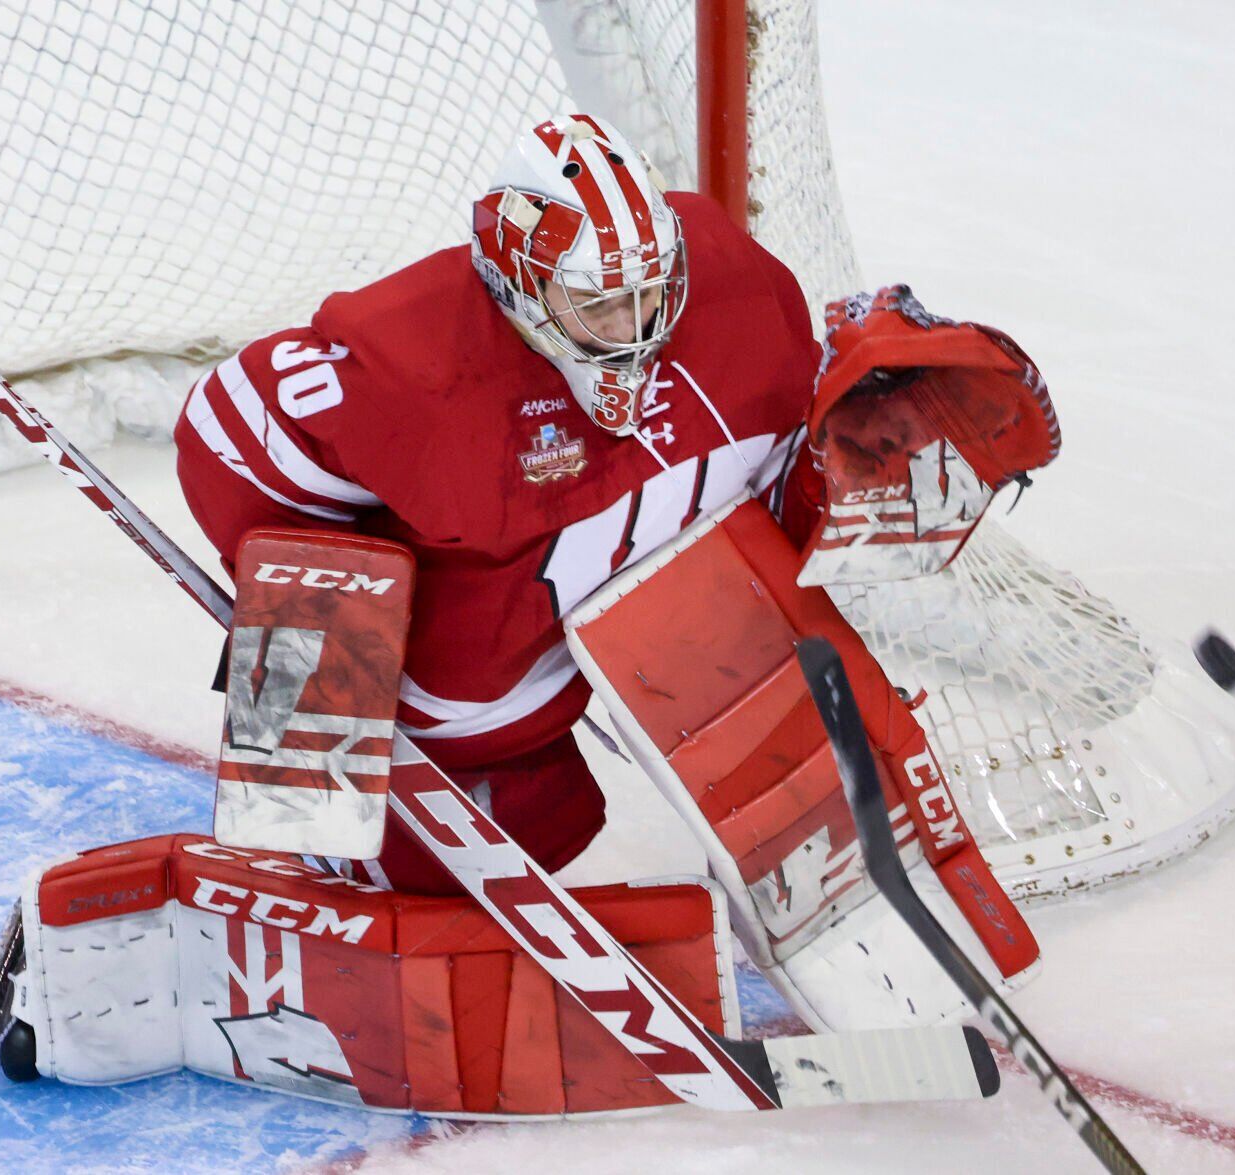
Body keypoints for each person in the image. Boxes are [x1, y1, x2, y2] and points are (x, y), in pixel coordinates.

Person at [175, 114, 822, 893]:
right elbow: (225, 432)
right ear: (520, 287)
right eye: (597, 302)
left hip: (614, 632)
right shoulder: (422, 367)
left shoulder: (735, 290)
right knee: (490, 838)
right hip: (469, 695)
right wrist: (309, 631)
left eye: (650, 294)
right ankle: (316, 844)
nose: (635, 329)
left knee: (573, 812)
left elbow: (788, 443)